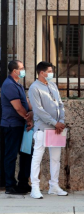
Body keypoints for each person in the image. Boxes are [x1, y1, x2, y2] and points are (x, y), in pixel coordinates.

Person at [28, 61, 68, 199]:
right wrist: (54, 122)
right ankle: (35, 187)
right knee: (37, 157)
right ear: (42, 72)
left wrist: (61, 121)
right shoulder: (34, 88)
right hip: (43, 128)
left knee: (55, 158)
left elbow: (60, 104)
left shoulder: (52, 85)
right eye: (49, 71)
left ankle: (54, 186)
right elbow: (38, 110)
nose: (51, 73)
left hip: (57, 128)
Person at [0, 60, 33, 194]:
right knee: (11, 155)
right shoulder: (9, 85)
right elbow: (18, 107)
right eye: (22, 68)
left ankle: (23, 183)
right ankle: (10, 185)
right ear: (15, 71)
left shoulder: (17, 84)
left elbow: (26, 103)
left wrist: (33, 111)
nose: (24, 70)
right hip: (12, 125)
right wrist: (28, 118)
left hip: (20, 125)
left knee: (26, 153)